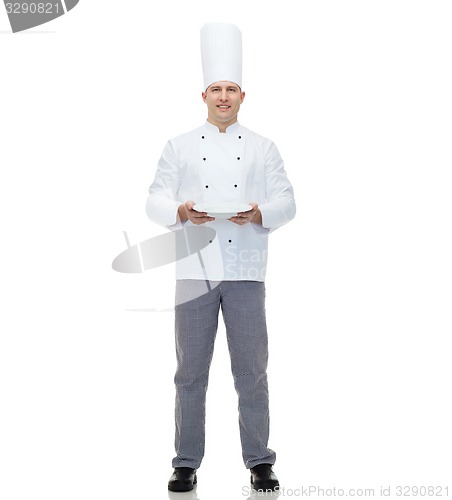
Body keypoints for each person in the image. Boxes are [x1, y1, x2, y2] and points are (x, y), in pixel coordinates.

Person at [146, 22, 296, 492]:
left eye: (231, 89)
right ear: (204, 95)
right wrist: (181, 210)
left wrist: (257, 213)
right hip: (195, 270)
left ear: (243, 96)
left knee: (251, 370)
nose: (224, 96)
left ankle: (259, 460)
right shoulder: (180, 145)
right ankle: (186, 460)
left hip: (247, 272)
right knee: (190, 372)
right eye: (217, 89)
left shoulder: (263, 147)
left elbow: (288, 202)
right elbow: (154, 199)